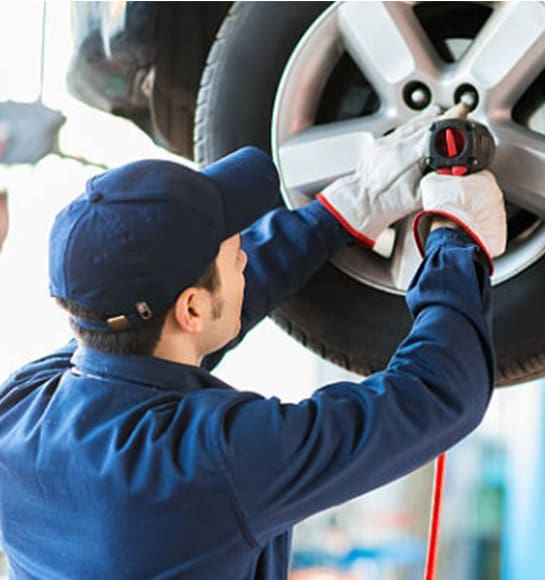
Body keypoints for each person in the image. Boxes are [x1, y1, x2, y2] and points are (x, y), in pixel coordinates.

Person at [0, 107, 507, 579]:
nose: (246, 253)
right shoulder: (211, 463)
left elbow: (168, 339)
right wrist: (456, 241)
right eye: (233, 249)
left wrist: (342, 212)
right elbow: (438, 396)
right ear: (192, 308)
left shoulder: (19, 411)